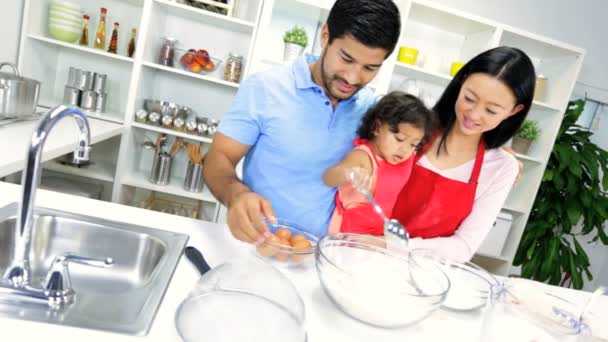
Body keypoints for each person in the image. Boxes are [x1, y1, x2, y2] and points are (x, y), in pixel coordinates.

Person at [203, 0, 401, 243]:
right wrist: (236, 195)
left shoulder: (372, 112)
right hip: (257, 245)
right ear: (325, 35)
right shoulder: (266, 88)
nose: (352, 77)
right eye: (346, 58)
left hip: (322, 256)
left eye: (370, 68)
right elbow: (218, 157)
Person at [391, 46, 536, 262]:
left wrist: (393, 245)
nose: (474, 114)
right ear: (462, 82)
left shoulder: (502, 167)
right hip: (365, 250)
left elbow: (463, 247)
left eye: (491, 110)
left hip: (424, 274)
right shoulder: (414, 128)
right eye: (469, 98)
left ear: (514, 111)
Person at [323, 92, 438, 235]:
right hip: (346, 234)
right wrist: (349, 173)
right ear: (377, 127)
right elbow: (328, 178)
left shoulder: (405, 158)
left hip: (378, 231)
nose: (404, 150)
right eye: (399, 139)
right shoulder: (363, 157)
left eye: (413, 144)